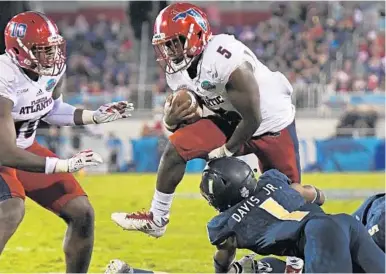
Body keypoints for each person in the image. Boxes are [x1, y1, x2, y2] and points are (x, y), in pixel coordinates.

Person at [112, 2, 324, 238]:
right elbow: (197, 110)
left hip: (271, 124)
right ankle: (157, 218)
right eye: (166, 45)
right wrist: (172, 121)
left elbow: (253, 117)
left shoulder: (224, 57)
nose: (170, 51)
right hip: (231, 119)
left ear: (197, 35)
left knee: (289, 198)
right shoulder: (178, 68)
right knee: (176, 149)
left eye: (175, 42)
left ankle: (311, 203)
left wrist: (226, 150)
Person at [0, 11, 133, 272]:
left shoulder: (52, 69)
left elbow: (51, 109)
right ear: (18, 51)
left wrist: (94, 116)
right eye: (42, 50)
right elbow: (6, 152)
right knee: (11, 210)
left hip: (23, 149)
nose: (51, 56)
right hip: (4, 153)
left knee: (82, 213)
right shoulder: (4, 77)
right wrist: (63, 164)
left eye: (53, 48)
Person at [201, 158, 384, 273]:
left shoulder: (226, 225)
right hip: (342, 222)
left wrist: (226, 270)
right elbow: (317, 196)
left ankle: (262, 269)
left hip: (317, 236)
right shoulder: (272, 180)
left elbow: (223, 260)